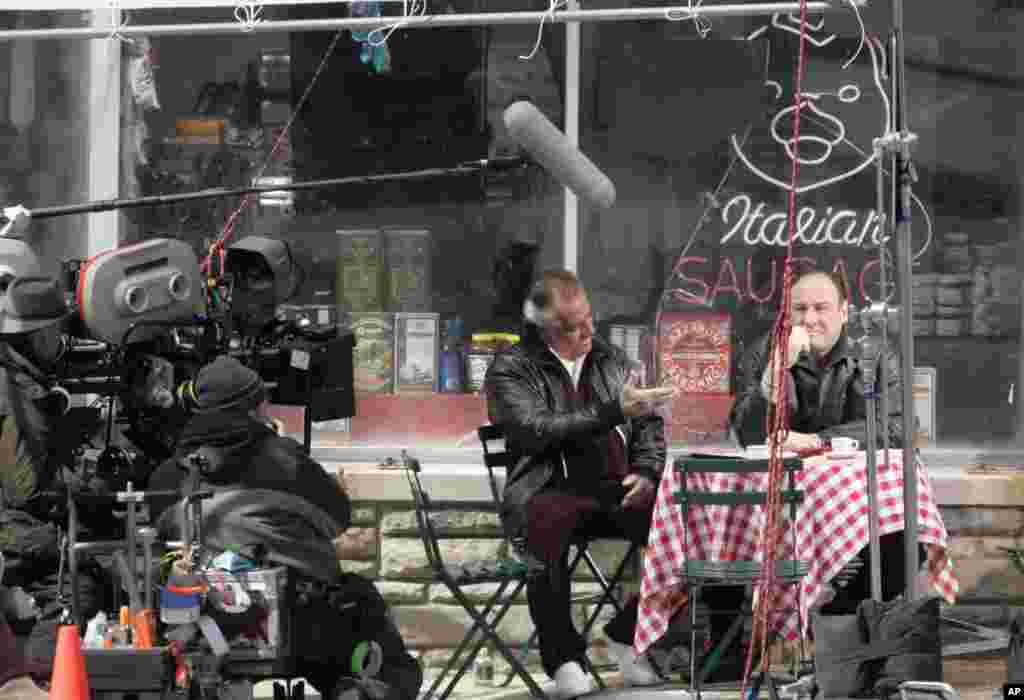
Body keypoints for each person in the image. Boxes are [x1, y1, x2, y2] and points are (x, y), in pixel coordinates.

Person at [148, 356, 422, 700]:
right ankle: (361, 690)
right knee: (371, 631)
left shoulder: (166, 476)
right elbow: (337, 519)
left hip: (201, 625)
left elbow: (161, 545)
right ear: (256, 407)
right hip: (302, 624)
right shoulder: (284, 462)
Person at [484, 269, 674, 695]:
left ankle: (627, 634)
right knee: (544, 524)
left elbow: (649, 430)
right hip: (544, 489)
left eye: (589, 317)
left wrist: (645, 471)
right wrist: (612, 411)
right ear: (541, 329)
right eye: (573, 326)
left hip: (611, 489)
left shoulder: (613, 361)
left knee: (682, 523)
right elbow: (535, 429)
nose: (589, 330)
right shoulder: (510, 369)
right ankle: (564, 659)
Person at [728, 268, 923, 617]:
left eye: (821, 308)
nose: (810, 319)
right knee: (725, 539)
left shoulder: (874, 355)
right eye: (800, 310)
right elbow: (746, 433)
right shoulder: (764, 353)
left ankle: (833, 624)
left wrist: (817, 440)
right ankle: (725, 657)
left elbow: (898, 429)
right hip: (778, 512)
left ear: (844, 312)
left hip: (853, 506)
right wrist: (774, 376)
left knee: (907, 546)